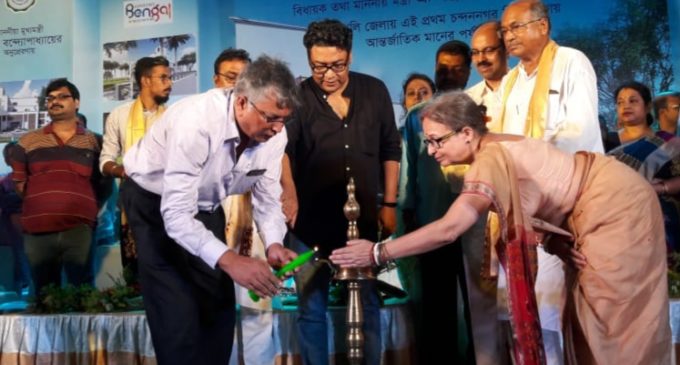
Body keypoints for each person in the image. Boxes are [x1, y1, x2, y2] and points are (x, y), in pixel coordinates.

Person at [330, 90, 672, 365]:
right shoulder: (492, 147)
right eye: (427, 142)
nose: (431, 151)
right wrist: (556, 240)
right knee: (586, 322)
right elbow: (542, 190)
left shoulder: (488, 159)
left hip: (615, 205)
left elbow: (452, 227)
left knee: (613, 327)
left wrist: (378, 252)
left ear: (467, 132)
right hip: (593, 206)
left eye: (437, 140)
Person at [119, 56, 300, 365]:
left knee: (218, 310)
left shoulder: (276, 133)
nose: (278, 128)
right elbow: (175, 216)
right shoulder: (196, 122)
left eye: (285, 119)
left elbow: (268, 197)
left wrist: (274, 244)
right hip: (153, 204)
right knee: (177, 316)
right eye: (271, 118)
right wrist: (231, 260)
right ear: (242, 102)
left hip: (205, 206)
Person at [284, 19, 401, 365]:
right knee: (311, 309)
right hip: (310, 223)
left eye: (337, 65)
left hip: (364, 222)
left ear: (350, 56)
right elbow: (282, 152)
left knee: (368, 303)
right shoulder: (297, 97)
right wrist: (289, 194)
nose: (328, 74)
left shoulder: (374, 91)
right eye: (319, 66)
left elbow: (391, 149)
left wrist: (389, 204)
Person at [496, 1, 603, 361]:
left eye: (516, 27)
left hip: (572, 200)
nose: (508, 36)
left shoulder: (571, 62)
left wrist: (532, 168)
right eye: (505, 30)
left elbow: (580, 131)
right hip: (527, 210)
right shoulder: (509, 82)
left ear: (543, 26)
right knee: (536, 311)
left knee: (565, 306)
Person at [397, 39, 472, 364]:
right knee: (436, 305)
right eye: (443, 68)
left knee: (478, 307)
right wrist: (407, 212)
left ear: (467, 71)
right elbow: (408, 171)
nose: (449, 75)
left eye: (457, 68)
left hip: (476, 226)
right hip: (432, 223)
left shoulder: (481, 110)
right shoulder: (417, 116)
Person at [212, 48, 278, 365]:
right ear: (215, 81)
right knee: (213, 311)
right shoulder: (202, 125)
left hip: (251, 227)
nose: (239, 85)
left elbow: (271, 179)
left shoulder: (267, 127)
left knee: (257, 307)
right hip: (210, 230)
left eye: (245, 79)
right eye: (230, 78)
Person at [9, 79, 103, 299]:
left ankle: (83, 336)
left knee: (83, 295)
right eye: (50, 98)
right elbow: (20, 186)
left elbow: (102, 185)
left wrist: (82, 205)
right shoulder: (27, 141)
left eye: (62, 97)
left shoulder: (95, 141)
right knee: (44, 297)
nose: (54, 102)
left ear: (77, 102)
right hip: (38, 230)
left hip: (79, 229)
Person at [99, 56, 172, 280]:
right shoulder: (119, 115)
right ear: (145, 81)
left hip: (169, 202)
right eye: (164, 78)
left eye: (170, 78)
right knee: (135, 271)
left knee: (169, 268)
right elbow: (105, 160)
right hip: (133, 203)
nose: (169, 83)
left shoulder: (174, 116)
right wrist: (123, 171)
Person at [463, 20, 509, 365]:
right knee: (482, 305)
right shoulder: (468, 100)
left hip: (523, 210)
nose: (481, 58)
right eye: (476, 52)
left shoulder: (523, 88)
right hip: (481, 213)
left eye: (488, 49)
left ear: (505, 48)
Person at [608, 81, 680, 256]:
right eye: (620, 102)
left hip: (659, 221)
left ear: (647, 106)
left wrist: (659, 188)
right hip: (615, 222)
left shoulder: (668, 143)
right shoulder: (605, 141)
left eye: (633, 101)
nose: (626, 106)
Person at [0, 142, 30, 295]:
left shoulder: (34, 178)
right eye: (11, 156)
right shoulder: (4, 182)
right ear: (6, 160)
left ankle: (23, 283)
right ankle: (21, 283)